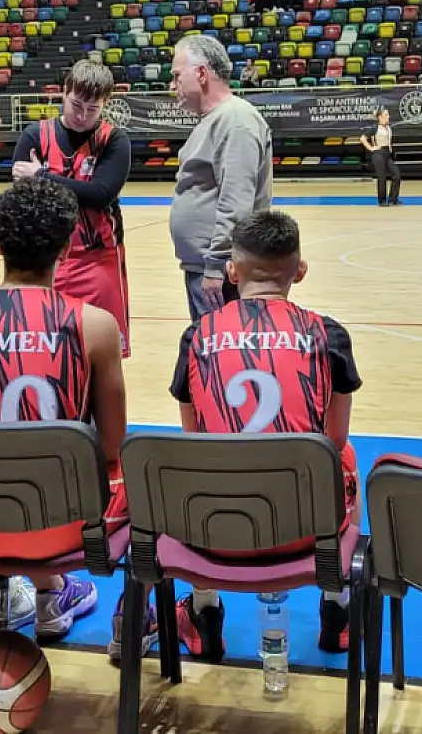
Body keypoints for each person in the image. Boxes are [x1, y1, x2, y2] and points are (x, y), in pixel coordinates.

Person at [134, 209, 361, 662]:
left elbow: (194, 439)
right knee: (346, 455)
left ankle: (203, 610)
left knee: (198, 462)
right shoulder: (329, 334)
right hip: (305, 531)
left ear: (232, 273)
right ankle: (337, 605)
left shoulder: (196, 335)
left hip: (215, 528)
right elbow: (334, 440)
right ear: (300, 270)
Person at [0, 178, 128, 644]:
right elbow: (110, 446)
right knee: (135, 467)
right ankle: (64, 595)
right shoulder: (95, 325)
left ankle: (19, 592)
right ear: (68, 246)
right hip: (61, 526)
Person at [10, 60, 134, 357]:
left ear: (105, 103)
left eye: (92, 109)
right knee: (46, 351)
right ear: (64, 92)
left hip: (98, 258)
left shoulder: (114, 140)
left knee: (101, 352)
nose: (82, 115)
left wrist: (42, 176)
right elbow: (23, 200)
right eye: (76, 104)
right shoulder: (35, 135)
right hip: (46, 261)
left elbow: (99, 195)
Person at [168, 33, 273, 320]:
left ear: (201, 74)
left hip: (223, 272)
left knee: (221, 346)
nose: (172, 85)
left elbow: (236, 202)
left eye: (177, 76)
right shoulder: (216, 119)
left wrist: (216, 265)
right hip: (207, 267)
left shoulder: (235, 120)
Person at [360, 108, 401, 206]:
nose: (388, 116)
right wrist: (371, 148)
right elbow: (362, 138)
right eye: (386, 115)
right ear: (380, 117)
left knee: (397, 175)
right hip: (379, 154)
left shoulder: (388, 127)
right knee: (382, 177)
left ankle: (393, 199)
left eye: (388, 115)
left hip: (387, 154)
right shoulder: (375, 128)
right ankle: (382, 201)